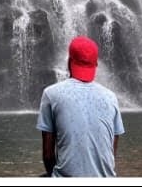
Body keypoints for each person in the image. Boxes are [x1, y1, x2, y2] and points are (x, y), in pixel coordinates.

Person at [37, 35, 125, 177]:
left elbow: (48, 156)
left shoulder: (50, 94)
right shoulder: (111, 97)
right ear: (95, 64)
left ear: (69, 62)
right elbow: (111, 154)